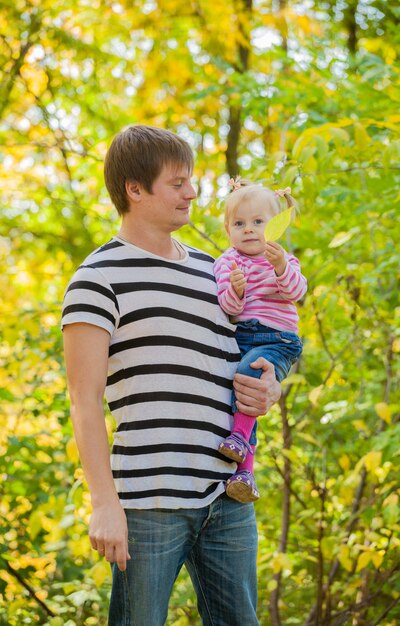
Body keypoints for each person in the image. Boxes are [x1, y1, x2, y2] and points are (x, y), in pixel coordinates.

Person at [62, 125, 281, 626]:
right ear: (134, 190)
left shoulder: (217, 269)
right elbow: (84, 400)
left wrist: (268, 387)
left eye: (192, 180)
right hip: (148, 503)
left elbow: (250, 354)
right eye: (178, 183)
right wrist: (104, 504)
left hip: (227, 497)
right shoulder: (97, 279)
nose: (192, 193)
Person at [213, 178, 307, 503]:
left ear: (274, 226)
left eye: (258, 222)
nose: (249, 230)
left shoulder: (280, 259)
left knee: (248, 373)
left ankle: (239, 437)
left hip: (278, 340)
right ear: (228, 229)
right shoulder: (226, 263)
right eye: (239, 223)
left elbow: (297, 291)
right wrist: (236, 290)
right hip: (244, 336)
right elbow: (227, 306)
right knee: (239, 391)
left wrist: (281, 268)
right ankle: (245, 473)